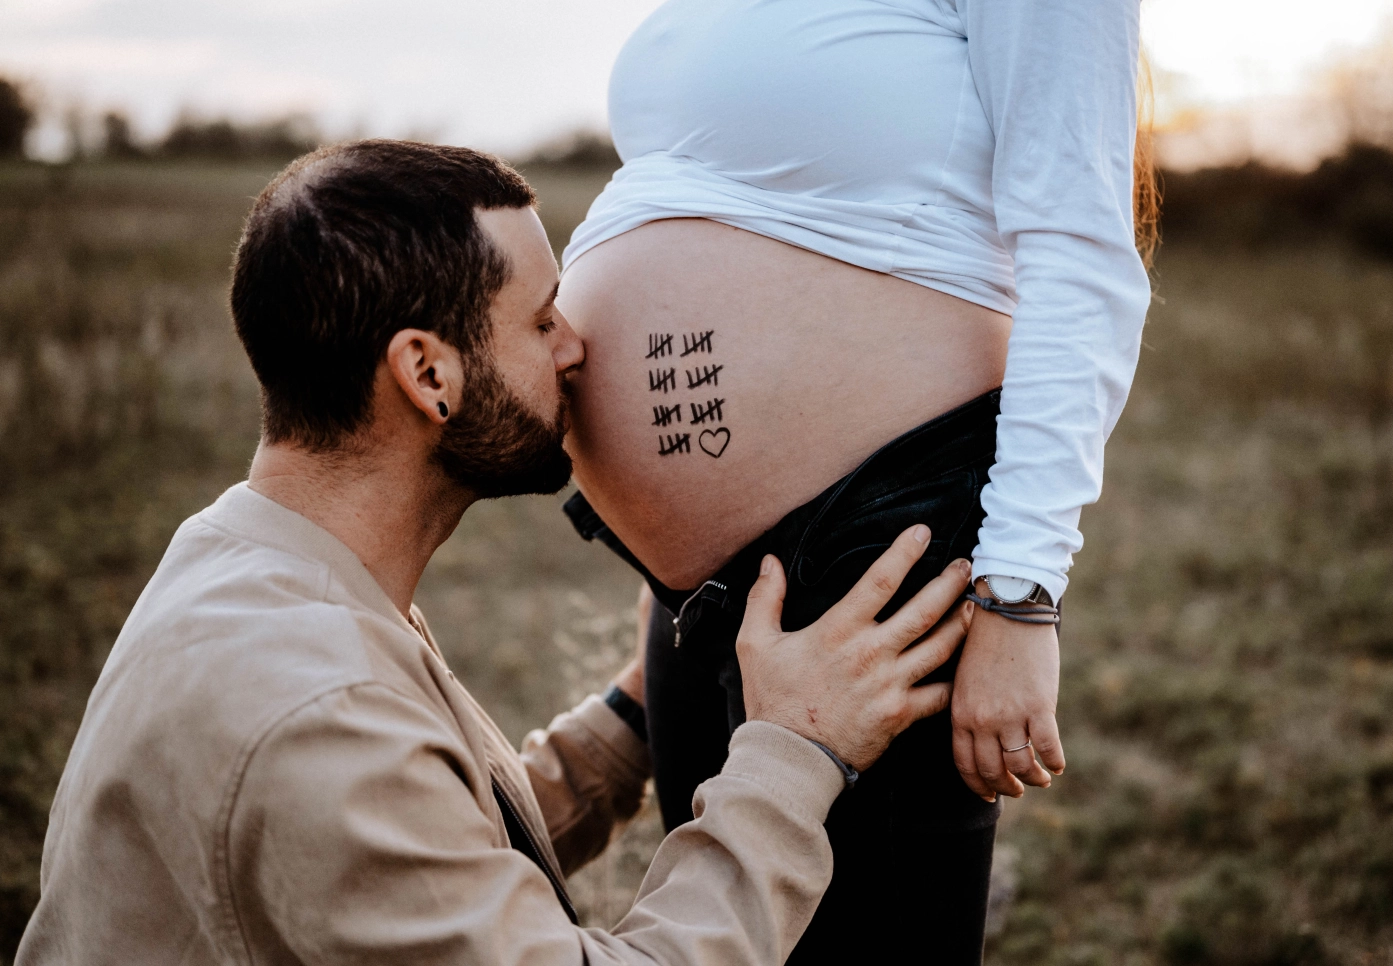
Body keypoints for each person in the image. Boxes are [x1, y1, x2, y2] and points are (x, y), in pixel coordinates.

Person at [15, 140, 978, 966]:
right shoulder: (314, 713)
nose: (576, 346)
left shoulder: (257, 567)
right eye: (540, 317)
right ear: (427, 373)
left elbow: (415, 868)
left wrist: (630, 719)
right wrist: (795, 751)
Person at [555, 0, 1157, 961]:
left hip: (880, 545)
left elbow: (1081, 250)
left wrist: (1021, 593)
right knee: (723, 930)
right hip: (695, 596)